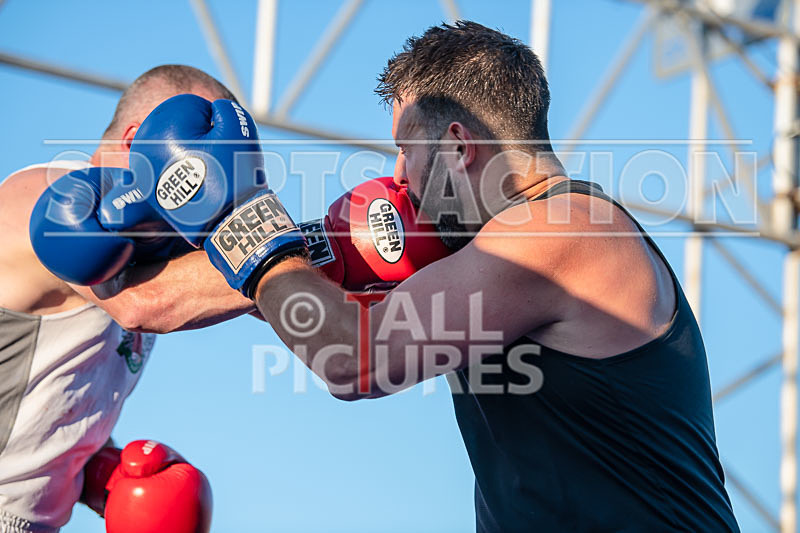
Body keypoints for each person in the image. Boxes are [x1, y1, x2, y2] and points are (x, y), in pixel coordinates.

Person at [134, 22, 740, 531]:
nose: (399, 177)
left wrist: (247, 223)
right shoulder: (484, 252)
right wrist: (122, 266)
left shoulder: (565, 232)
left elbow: (352, 358)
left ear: (457, 147)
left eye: (406, 148)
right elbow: (186, 299)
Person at [0, 64, 256, 533]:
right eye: (195, 162)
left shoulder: (150, 246)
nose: (204, 193)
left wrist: (104, 473)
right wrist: (311, 251)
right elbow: (142, 306)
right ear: (138, 139)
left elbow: (49, 400)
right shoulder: (45, 198)